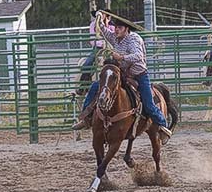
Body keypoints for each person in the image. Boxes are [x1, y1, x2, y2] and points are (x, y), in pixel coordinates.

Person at [71, 14, 172, 144]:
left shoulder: (134, 39)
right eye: (116, 27)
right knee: (96, 86)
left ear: (126, 29)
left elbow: (138, 56)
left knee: (148, 104)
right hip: (123, 74)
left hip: (139, 75)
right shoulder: (116, 37)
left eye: (119, 27)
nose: (116, 30)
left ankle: (163, 126)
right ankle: (86, 118)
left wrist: (121, 58)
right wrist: (99, 19)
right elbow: (104, 31)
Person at [77, 10, 113, 95]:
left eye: (103, 15)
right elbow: (92, 39)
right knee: (87, 63)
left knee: (114, 63)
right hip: (98, 47)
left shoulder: (111, 26)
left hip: (109, 48)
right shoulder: (93, 25)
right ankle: (83, 85)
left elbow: (112, 37)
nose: (101, 16)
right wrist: (101, 43)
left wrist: (107, 25)